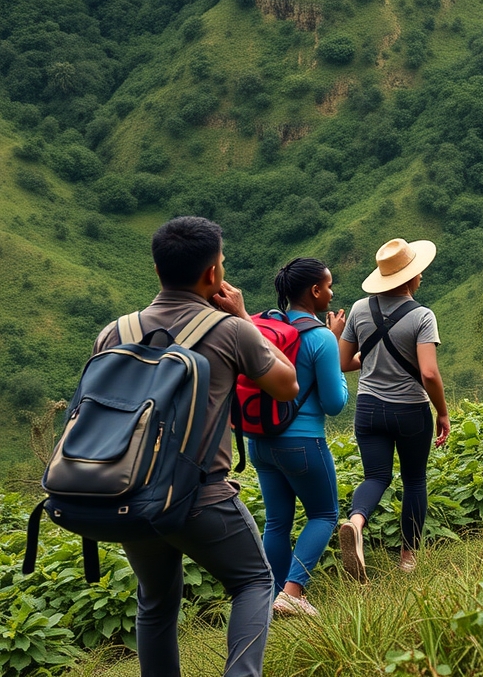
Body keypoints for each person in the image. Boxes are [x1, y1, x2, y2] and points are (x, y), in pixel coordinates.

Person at [95, 217, 298, 677]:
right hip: (199, 497)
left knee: (157, 600)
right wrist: (245, 318)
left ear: (156, 270)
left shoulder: (114, 332)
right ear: (213, 274)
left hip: (128, 497)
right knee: (254, 581)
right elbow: (287, 385)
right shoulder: (230, 331)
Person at [338, 238, 451, 582]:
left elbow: (343, 362)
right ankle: (407, 557)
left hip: (369, 408)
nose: (421, 278)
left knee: (376, 477)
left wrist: (372, 360)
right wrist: (442, 412)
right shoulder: (422, 316)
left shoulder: (359, 309)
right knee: (414, 479)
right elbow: (429, 372)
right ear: (409, 278)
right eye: (418, 273)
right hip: (410, 411)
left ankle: (356, 523)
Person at [249, 258, 349, 618]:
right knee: (324, 513)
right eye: (329, 285)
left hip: (259, 442)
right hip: (302, 441)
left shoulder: (265, 328)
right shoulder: (320, 337)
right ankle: (293, 593)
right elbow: (334, 403)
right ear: (315, 291)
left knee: (277, 521)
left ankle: (276, 597)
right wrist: (335, 353)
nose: (332, 292)